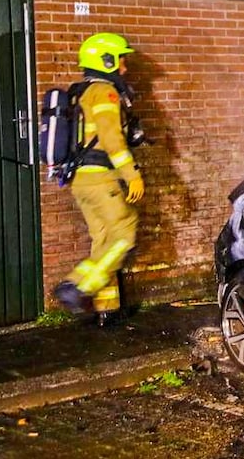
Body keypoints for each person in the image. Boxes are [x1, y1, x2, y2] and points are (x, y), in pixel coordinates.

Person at [54, 32, 145, 327]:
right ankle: (78, 285)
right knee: (125, 234)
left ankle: (107, 308)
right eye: (120, 61)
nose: (124, 68)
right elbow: (111, 139)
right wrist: (132, 175)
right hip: (102, 180)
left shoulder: (78, 92)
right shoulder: (104, 92)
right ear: (106, 61)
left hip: (80, 181)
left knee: (104, 241)